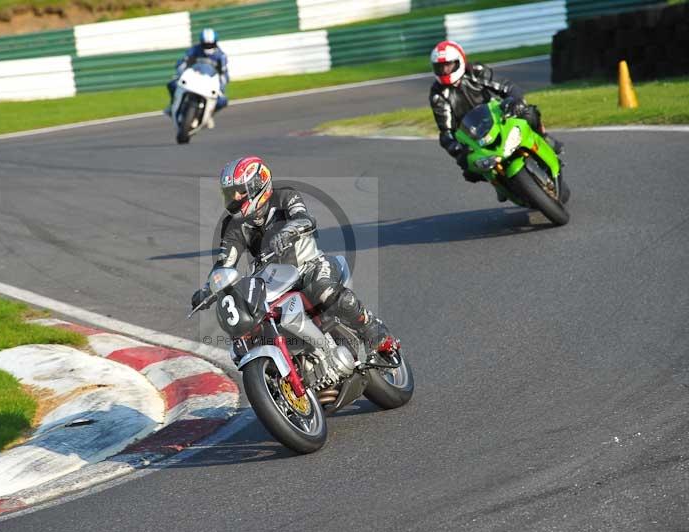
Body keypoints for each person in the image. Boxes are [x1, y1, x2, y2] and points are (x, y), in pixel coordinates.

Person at [191, 156, 397, 354]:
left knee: (324, 290)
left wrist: (288, 231)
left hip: (309, 266)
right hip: (273, 282)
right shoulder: (233, 225)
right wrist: (209, 288)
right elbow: (225, 261)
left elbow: (305, 218)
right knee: (253, 326)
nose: (234, 198)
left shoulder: (285, 196)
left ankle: (371, 328)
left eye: (238, 191)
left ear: (257, 186)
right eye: (229, 193)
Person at [428, 40, 564, 200]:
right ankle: (499, 183)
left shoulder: (475, 71)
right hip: (470, 133)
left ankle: (544, 138)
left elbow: (507, 87)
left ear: (460, 61)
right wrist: (457, 150)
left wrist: (515, 101)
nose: (444, 70)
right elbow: (446, 131)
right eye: (440, 67)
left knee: (529, 113)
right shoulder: (438, 94)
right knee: (469, 170)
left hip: (496, 115)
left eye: (448, 65)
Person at [166, 28, 229, 118]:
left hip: (209, 81)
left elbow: (224, 73)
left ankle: (209, 115)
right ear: (201, 42)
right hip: (193, 77)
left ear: (215, 43)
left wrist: (221, 87)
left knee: (222, 101)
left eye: (210, 44)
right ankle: (173, 105)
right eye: (206, 44)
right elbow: (183, 61)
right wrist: (181, 69)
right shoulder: (195, 49)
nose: (208, 47)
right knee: (172, 84)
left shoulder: (221, 56)